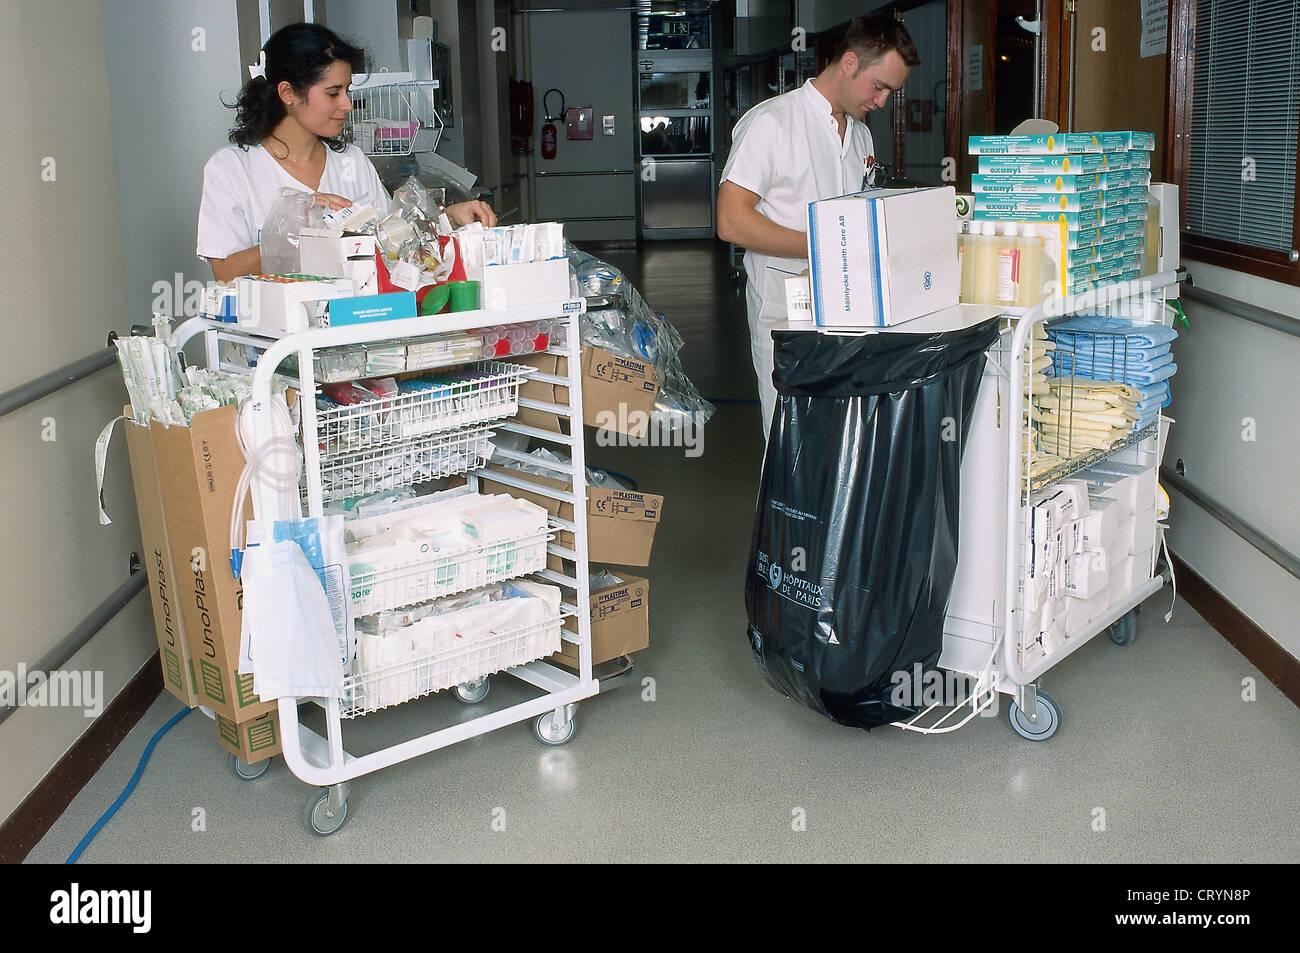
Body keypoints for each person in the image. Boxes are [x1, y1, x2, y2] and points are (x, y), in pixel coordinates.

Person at [717, 12, 919, 436]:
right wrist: (824, 246)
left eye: (890, 92)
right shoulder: (771, 124)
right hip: (785, 312)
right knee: (790, 444)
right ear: (849, 63)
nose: (882, 101)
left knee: (841, 441)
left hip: (849, 310)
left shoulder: (861, 136)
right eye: (879, 87)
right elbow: (731, 221)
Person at [197, 22, 497, 282]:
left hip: (349, 333)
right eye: (333, 93)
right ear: (288, 93)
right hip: (272, 343)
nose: (347, 105)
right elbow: (226, 273)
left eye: (347, 91)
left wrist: (448, 219)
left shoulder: (350, 162)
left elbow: (390, 240)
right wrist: (300, 229)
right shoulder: (232, 169)